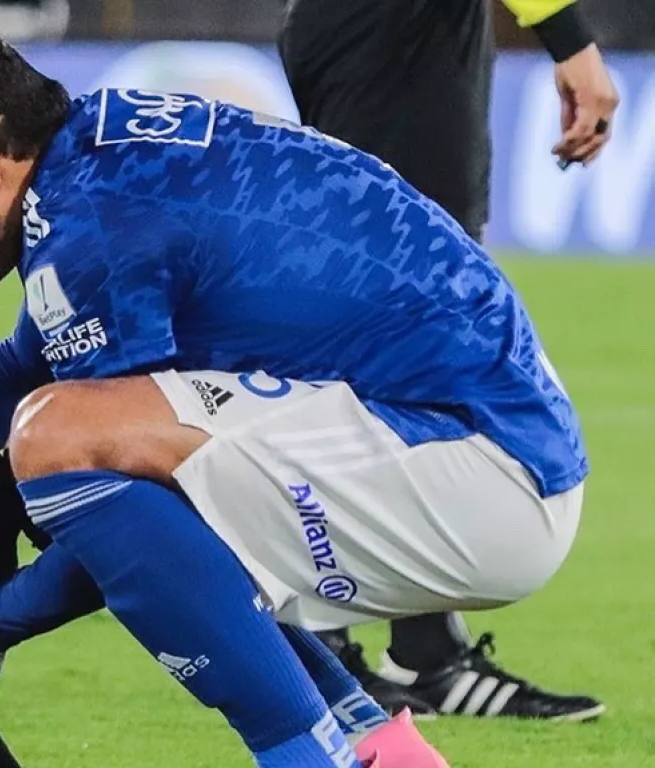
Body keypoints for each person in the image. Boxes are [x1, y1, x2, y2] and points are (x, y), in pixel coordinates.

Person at [0, 9, 590, 766]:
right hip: (471, 442)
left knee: (59, 439)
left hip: (481, 474)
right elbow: (26, 360)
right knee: (90, 437)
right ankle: (368, 743)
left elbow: (101, 491)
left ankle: (310, 752)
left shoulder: (93, 221)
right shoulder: (96, 156)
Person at [277, 0, 617, 719]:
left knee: (407, 349)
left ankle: (422, 649)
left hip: (393, 37)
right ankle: (324, 648)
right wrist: (570, 40)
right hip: (388, 38)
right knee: (382, 335)